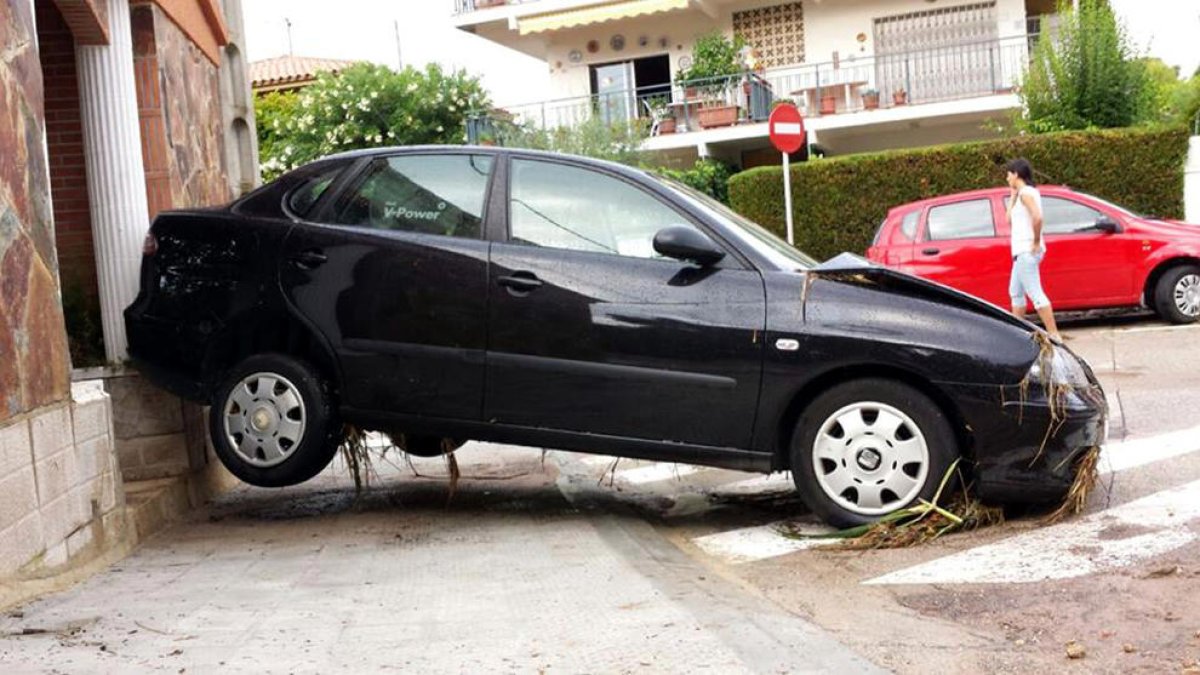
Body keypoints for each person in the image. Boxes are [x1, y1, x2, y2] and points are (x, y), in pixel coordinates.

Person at [1004, 158, 1061, 342]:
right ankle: (1016, 334)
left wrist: (1036, 241)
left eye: (1008, 174)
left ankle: (1054, 333)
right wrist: (1012, 195)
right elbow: (1008, 220)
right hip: (1020, 253)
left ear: (1016, 174)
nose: (1007, 178)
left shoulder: (1026, 193)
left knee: (1035, 293)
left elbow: (1037, 217)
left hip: (1026, 251)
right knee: (1015, 292)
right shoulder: (1021, 194)